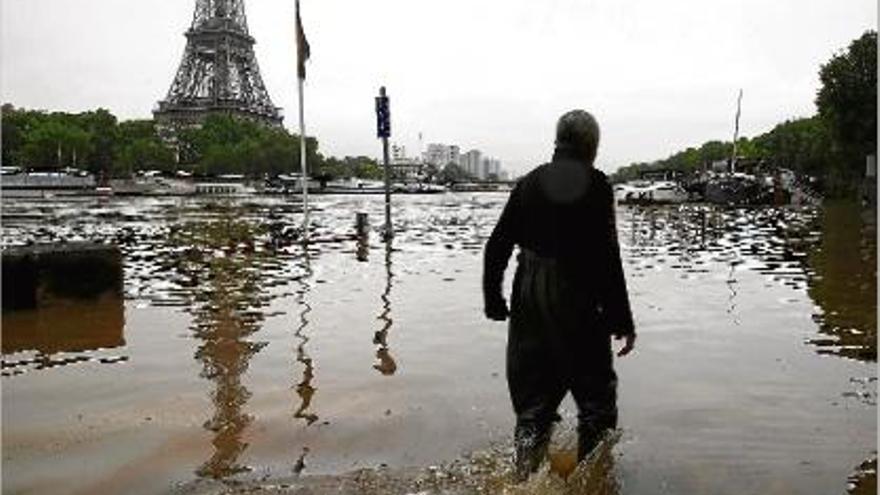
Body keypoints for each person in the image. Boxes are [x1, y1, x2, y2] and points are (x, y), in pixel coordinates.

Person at [482, 110, 636, 481]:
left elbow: (497, 245)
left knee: (533, 408)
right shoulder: (597, 185)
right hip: (577, 297)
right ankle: (591, 483)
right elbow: (606, 257)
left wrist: (494, 300)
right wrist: (621, 319)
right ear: (591, 145)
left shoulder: (528, 183)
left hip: (529, 296)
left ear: (558, 140)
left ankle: (522, 481)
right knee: (597, 405)